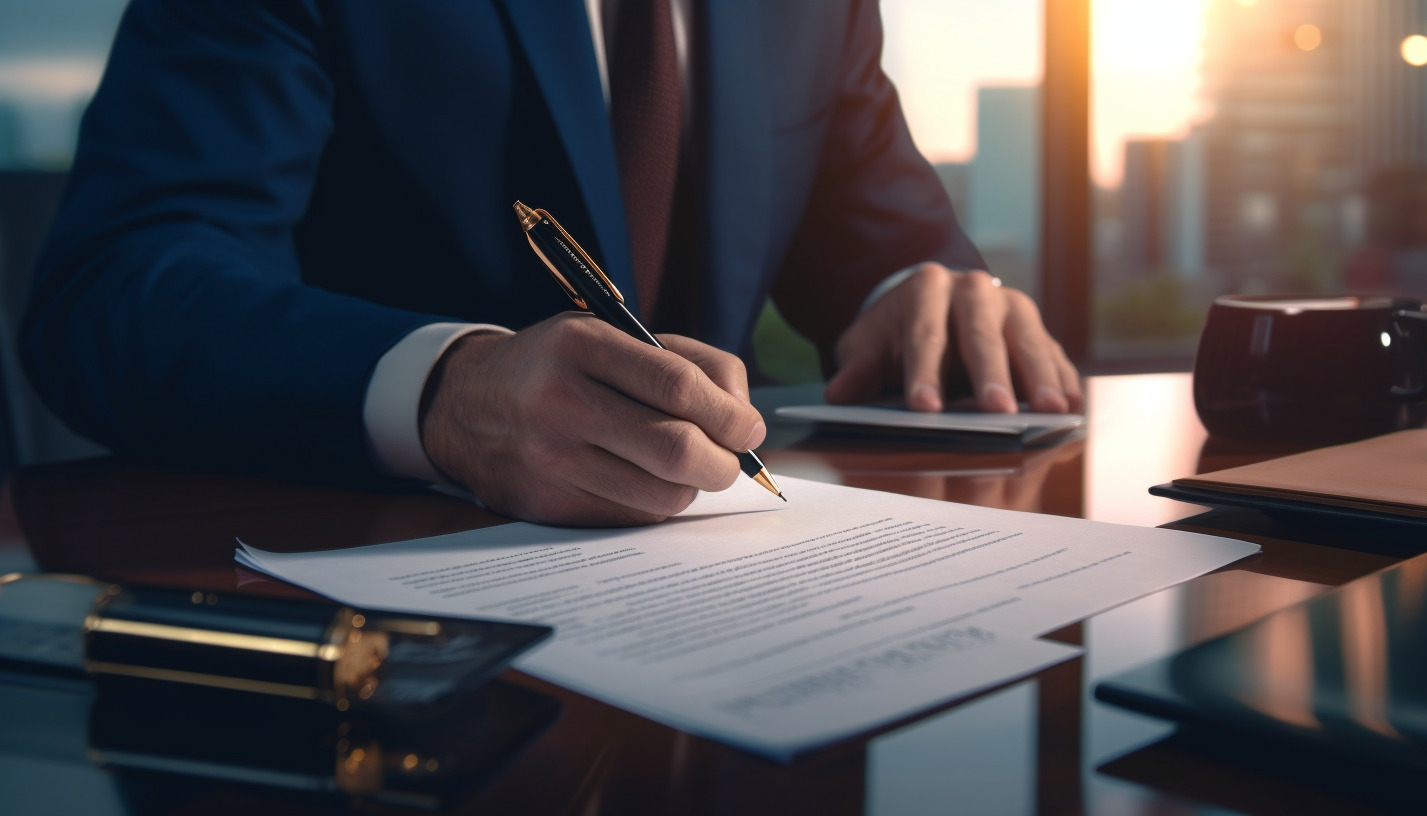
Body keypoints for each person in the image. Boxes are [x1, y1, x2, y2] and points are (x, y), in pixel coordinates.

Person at [22, 0, 1081, 526]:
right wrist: (446, 391)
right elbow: (116, 286)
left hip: (755, 654)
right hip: (372, 646)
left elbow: (889, 242)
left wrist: (921, 296)